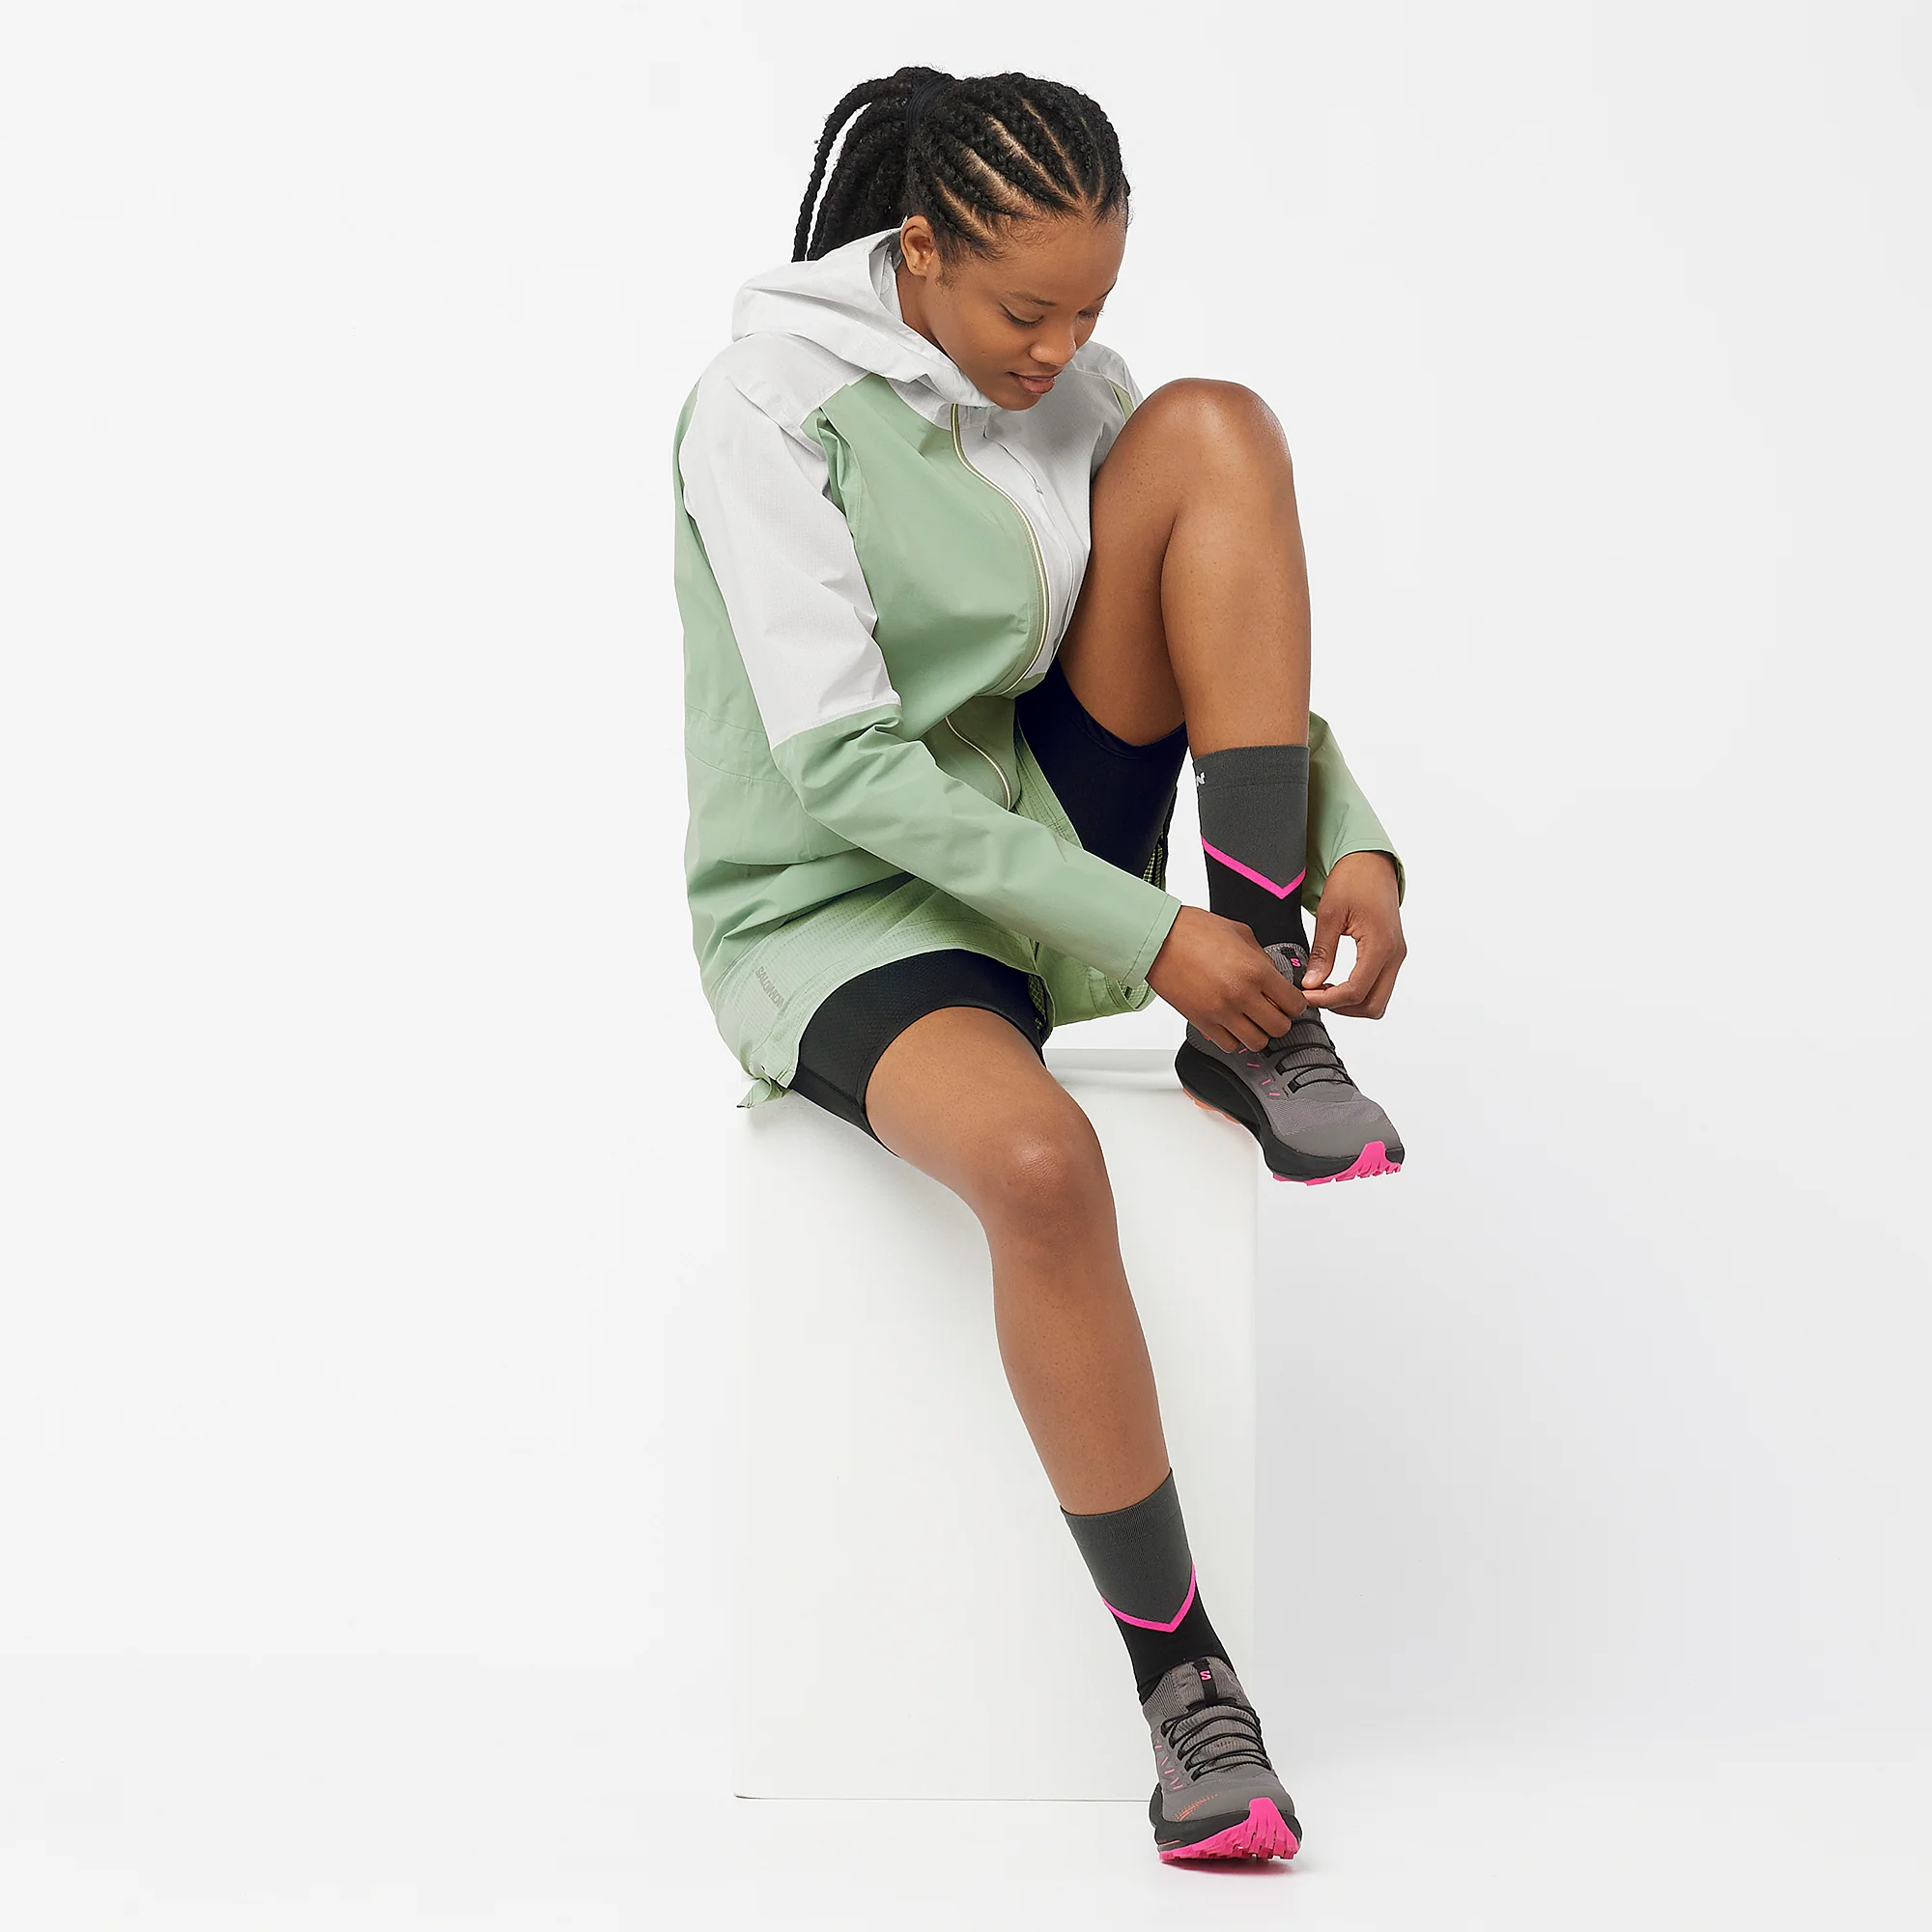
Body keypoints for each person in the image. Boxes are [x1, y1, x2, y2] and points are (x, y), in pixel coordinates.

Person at [671, 66, 1409, 1864]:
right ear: (919, 246)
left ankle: (1264, 1014)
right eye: (1027, 309)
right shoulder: (762, 411)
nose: (1062, 349)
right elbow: (846, 769)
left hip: (1043, 848)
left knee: (1215, 432)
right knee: (1038, 1163)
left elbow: (1201, 624)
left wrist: (1353, 843)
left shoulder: (1072, 387)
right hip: (841, 902)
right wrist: (1153, 935)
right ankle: (1187, 1690)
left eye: (1091, 307)